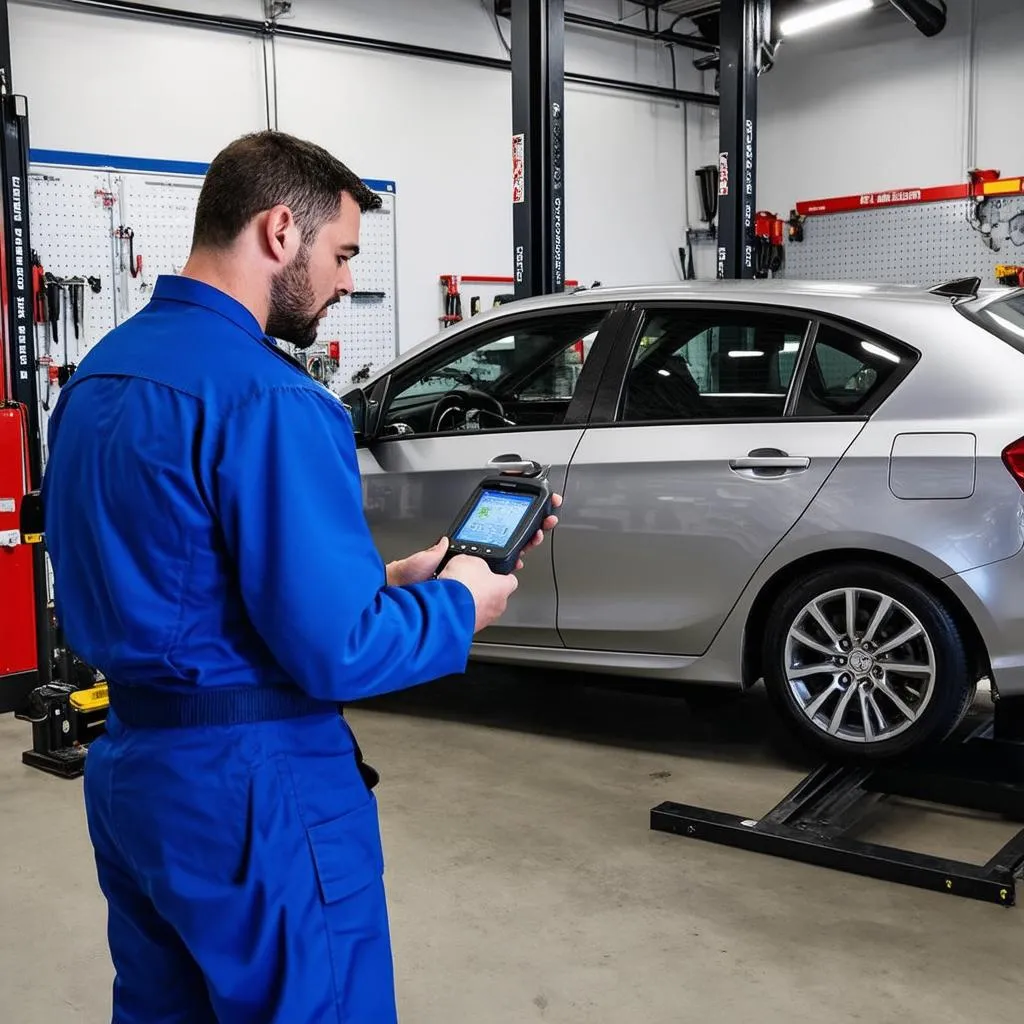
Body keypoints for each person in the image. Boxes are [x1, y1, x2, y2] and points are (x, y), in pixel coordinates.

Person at [41, 130, 560, 1024]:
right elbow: (338, 655)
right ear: (282, 230)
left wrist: (396, 576)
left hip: (135, 774)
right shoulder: (277, 401)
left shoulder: (98, 378)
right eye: (342, 253)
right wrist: (461, 603)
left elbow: (188, 582)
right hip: (258, 793)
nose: (346, 280)